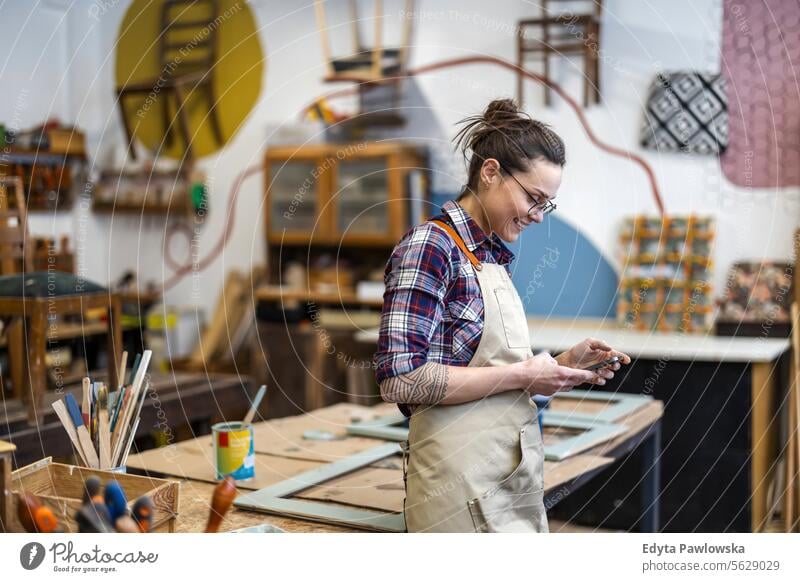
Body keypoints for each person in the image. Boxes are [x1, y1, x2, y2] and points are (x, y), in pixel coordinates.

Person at [374, 98, 630, 533]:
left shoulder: (490, 257)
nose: (536, 215)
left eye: (546, 204)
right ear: (490, 172)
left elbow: (493, 373)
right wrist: (524, 376)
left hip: (507, 481)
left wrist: (560, 367)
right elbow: (400, 379)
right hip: (454, 493)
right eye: (533, 198)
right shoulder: (432, 246)